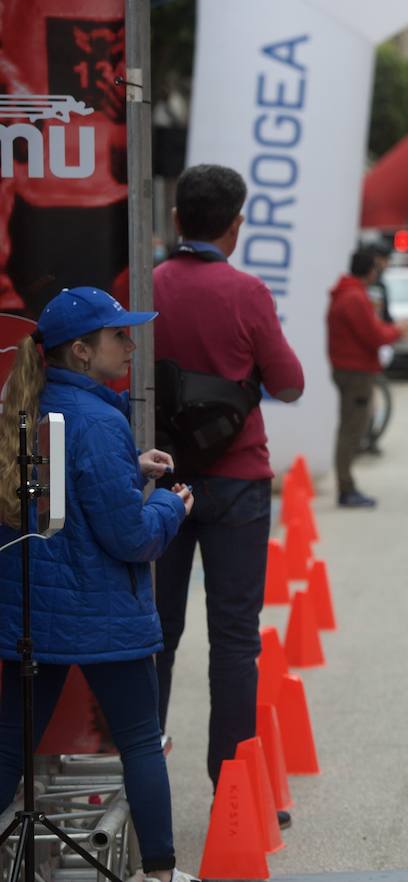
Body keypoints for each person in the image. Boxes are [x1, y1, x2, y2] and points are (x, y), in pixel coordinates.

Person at [0, 289, 197, 882]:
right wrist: (170, 505)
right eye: (119, 336)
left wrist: (128, 468)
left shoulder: (25, 406)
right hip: (103, 614)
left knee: (10, 742)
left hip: (34, 612)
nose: (131, 344)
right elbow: (130, 537)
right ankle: (159, 875)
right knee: (140, 742)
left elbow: (65, 494)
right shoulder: (100, 420)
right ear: (81, 352)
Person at [153, 164, 305, 818]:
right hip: (238, 481)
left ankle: (143, 779)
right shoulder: (247, 292)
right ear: (236, 225)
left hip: (157, 478)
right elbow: (291, 381)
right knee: (236, 638)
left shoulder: (145, 282)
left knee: (154, 632)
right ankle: (232, 788)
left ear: (177, 219)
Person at [327, 247, 408, 508]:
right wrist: (398, 330)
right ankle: (346, 487)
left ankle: (347, 485)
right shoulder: (354, 298)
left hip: (350, 368)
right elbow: (374, 335)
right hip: (355, 372)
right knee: (352, 429)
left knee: (352, 426)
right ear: (370, 271)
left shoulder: (347, 293)